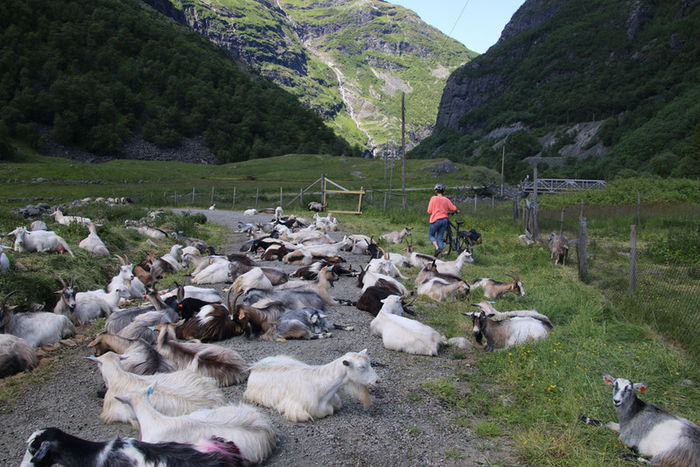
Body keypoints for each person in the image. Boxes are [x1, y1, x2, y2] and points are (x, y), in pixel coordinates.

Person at [427, 183, 458, 258]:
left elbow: (429, 211)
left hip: (435, 220)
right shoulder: (446, 200)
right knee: (440, 237)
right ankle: (439, 254)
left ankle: (437, 248)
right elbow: (454, 208)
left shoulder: (433, 198)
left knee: (431, 235)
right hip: (444, 220)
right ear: (443, 191)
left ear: (436, 191)